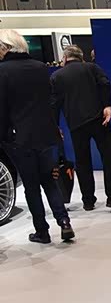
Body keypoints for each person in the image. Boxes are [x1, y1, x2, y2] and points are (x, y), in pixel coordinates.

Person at [0, 29, 75, 243]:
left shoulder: (2, 71)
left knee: (31, 187)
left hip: (19, 138)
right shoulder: (40, 67)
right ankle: (64, 221)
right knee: (49, 181)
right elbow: (50, 101)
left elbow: (2, 109)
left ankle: (42, 231)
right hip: (46, 133)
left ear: (6, 47)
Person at [50, 45, 111, 212]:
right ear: (81, 57)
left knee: (82, 162)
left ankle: (88, 200)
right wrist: (107, 105)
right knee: (108, 158)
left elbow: (54, 103)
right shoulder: (92, 68)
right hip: (98, 120)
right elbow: (105, 84)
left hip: (75, 124)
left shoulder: (57, 76)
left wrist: (55, 126)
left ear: (65, 58)